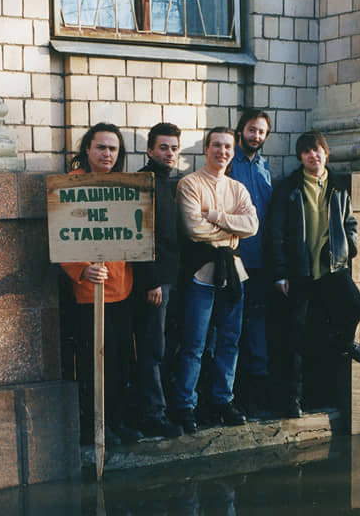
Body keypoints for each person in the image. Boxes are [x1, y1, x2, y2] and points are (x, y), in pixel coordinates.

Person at [268, 129, 360, 417]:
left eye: (318, 150)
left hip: (331, 269)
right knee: (295, 337)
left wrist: (347, 247)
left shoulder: (337, 187)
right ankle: (293, 400)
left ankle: (345, 342)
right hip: (299, 272)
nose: (313, 155)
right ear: (300, 157)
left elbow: (350, 222)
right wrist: (279, 273)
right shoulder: (289, 189)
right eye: (307, 151)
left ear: (326, 153)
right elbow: (275, 234)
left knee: (355, 304)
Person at [60, 122, 144, 446]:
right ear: (87, 150)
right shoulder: (70, 187)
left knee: (121, 364)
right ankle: (93, 427)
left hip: (122, 290)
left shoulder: (124, 186)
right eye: (101, 147)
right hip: (89, 293)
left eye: (113, 148)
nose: (107, 153)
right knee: (94, 365)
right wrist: (81, 270)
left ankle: (117, 422)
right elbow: (61, 238)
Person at [173, 127, 259, 433]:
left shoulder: (237, 188)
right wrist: (230, 231)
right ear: (206, 149)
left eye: (227, 147)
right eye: (216, 145)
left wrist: (215, 215)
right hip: (202, 273)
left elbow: (252, 224)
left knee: (229, 341)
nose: (222, 151)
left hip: (234, 273)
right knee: (194, 343)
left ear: (232, 152)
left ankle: (223, 399)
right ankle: (186, 404)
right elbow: (193, 228)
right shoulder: (190, 184)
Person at [132, 122, 184, 439]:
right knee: (152, 347)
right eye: (163, 147)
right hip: (154, 282)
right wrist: (151, 280)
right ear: (150, 150)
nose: (169, 153)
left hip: (171, 278)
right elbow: (139, 233)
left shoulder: (166, 182)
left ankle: (159, 409)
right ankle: (153, 414)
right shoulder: (143, 181)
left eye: (174, 148)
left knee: (164, 345)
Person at [228, 109, 273, 419]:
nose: (256, 136)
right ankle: (231, 397)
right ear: (240, 130)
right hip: (234, 260)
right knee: (232, 328)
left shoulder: (264, 167)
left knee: (257, 328)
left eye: (261, 132)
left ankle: (256, 398)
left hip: (262, 262)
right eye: (251, 130)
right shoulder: (229, 164)